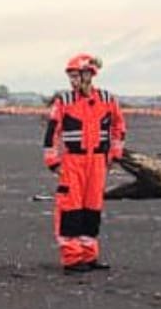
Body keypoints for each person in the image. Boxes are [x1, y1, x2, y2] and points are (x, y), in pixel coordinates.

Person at [43, 53, 127, 273]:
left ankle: (89, 255)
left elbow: (119, 127)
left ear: (89, 74)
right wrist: (53, 161)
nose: (72, 81)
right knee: (70, 208)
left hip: (97, 162)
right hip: (73, 161)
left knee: (92, 208)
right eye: (70, 76)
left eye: (76, 75)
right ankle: (72, 258)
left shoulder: (108, 100)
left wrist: (114, 154)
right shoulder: (64, 101)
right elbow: (51, 133)